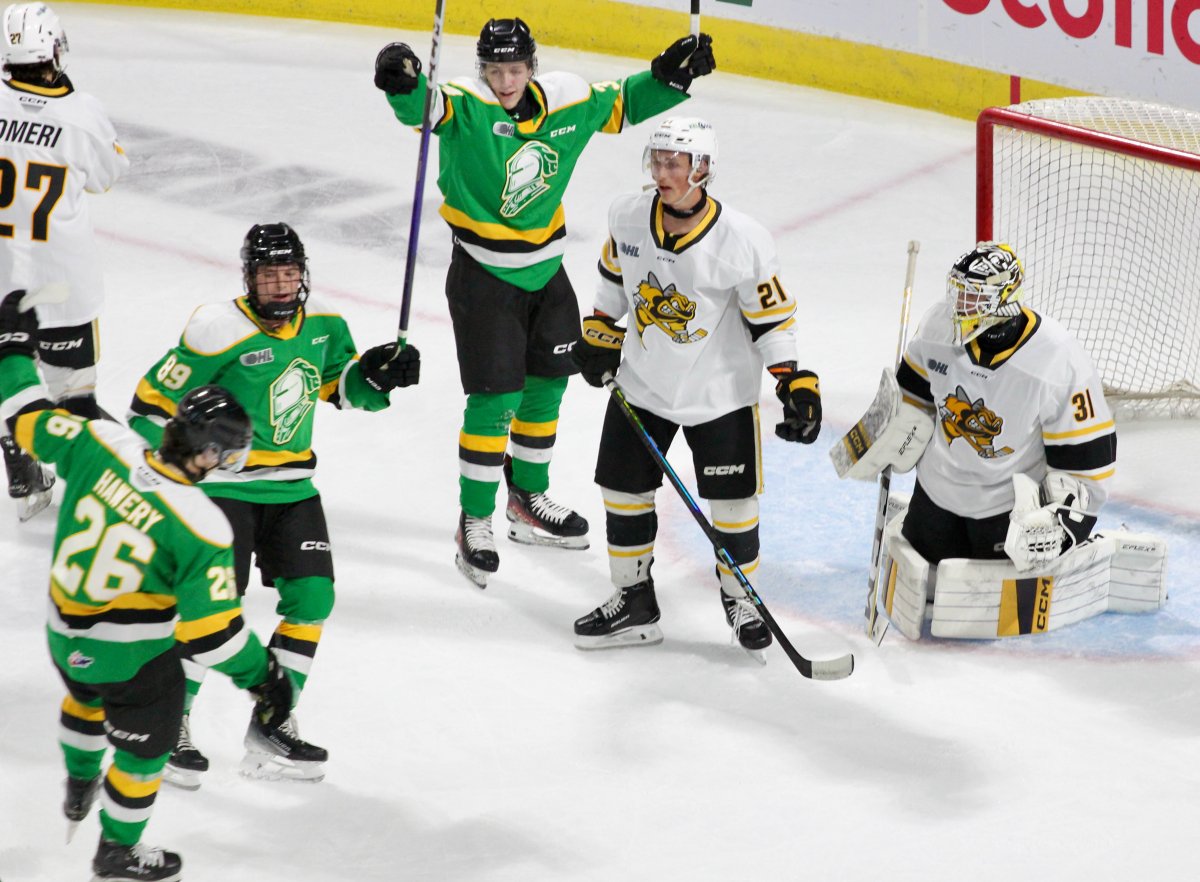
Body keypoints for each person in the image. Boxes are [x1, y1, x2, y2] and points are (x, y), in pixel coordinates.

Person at [373, 18, 716, 587]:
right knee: (494, 400)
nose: (505, 81)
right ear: (481, 70)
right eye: (494, 70)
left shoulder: (567, 98)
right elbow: (422, 111)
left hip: (547, 272)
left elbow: (623, 104)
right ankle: (474, 518)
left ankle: (527, 499)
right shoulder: (465, 103)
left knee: (548, 385)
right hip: (483, 276)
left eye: (514, 69)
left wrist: (668, 77)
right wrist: (401, 83)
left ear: (532, 66)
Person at [0, 288, 322, 882]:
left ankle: (77, 783)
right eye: (227, 453)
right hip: (131, 658)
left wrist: (13, 345)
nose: (232, 462)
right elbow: (212, 634)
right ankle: (116, 851)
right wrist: (265, 680)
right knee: (145, 751)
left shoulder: (103, 443)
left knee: (86, 695)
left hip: (60, 635)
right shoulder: (202, 525)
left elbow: (21, 417)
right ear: (204, 453)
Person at [128, 222, 420, 788]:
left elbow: (342, 388)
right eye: (269, 276)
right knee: (214, 608)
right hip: (224, 490)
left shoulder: (328, 325)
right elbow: (145, 406)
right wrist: (185, 464)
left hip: (293, 489)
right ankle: (170, 725)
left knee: (314, 597)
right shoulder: (217, 329)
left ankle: (272, 723)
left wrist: (379, 376)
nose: (282, 287)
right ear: (250, 279)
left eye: (290, 274)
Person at [569, 117, 822, 653]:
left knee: (732, 506)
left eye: (674, 162)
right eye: (656, 160)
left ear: (701, 169)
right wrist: (598, 331)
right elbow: (615, 282)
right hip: (642, 383)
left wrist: (793, 380)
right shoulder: (628, 215)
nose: (662, 172)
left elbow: (773, 320)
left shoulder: (743, 240)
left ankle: (740, 596)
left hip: (719, 395)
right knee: (622, 490)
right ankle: (634, 601)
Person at [0, 2, 129, 520]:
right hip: (63, 285)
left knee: (10, 376)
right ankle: (117, 496)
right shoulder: (81, 113)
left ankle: (20, 460)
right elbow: (106, 175)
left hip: (3, 281)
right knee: (74, 398)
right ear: (54, 49)